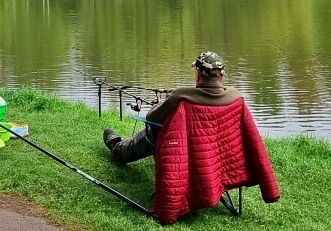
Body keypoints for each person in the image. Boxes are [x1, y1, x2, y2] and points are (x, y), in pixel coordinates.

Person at [102, 51, 241, 164]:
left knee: (154, 130)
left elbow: (151, 117)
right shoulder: (236, 97)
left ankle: (118, 149)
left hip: (180, 149)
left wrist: (161, 103)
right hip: (216, 150)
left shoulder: (181, 96)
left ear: (198, 75)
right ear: (221, 76)